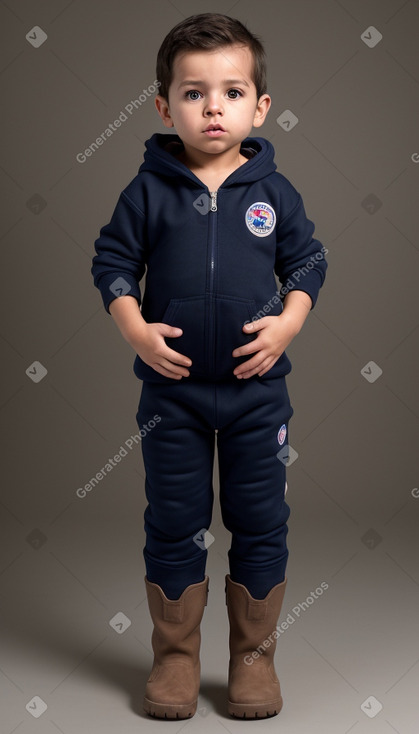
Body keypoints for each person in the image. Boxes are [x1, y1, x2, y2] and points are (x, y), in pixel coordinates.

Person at [91, 12, 327, 721]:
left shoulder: (274, 193)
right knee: (173, 521)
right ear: (165, 106)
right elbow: (111, 263)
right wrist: (133, 327)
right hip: (173, 396)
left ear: (258, 107)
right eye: (193, 93)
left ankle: (253, 658)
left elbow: (309, 261)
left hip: (258, 397)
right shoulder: (147, 191)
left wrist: (289, 320)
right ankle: (175, 657)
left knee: (259, 519)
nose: (212, 106)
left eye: (230, 91)